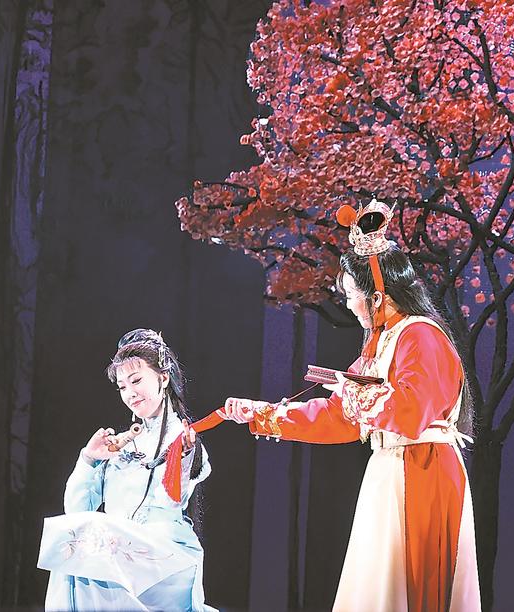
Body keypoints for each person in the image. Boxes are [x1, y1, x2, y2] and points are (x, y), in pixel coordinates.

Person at [222, 200, 480, 611]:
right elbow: (337, 416)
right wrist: (263, 414)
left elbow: (411, 412)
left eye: (350, 295)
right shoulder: (379, 346)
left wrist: (353, 391)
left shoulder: (420, 335)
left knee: (412, 588)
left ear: (376, 297)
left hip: (423, 470)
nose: (346, 303)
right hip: (390, 469)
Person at [38, 329, 214, 611]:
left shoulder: (184, 439)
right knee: (71, 543)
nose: (130, 393)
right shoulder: (120, 445)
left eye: (136, 380)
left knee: (93, 540)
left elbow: (171, 501)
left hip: (165, 557)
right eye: (122, 387)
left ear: (163, 378)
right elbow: (76, 511)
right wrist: (89, 460)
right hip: (114, 551)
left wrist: (181, 457)